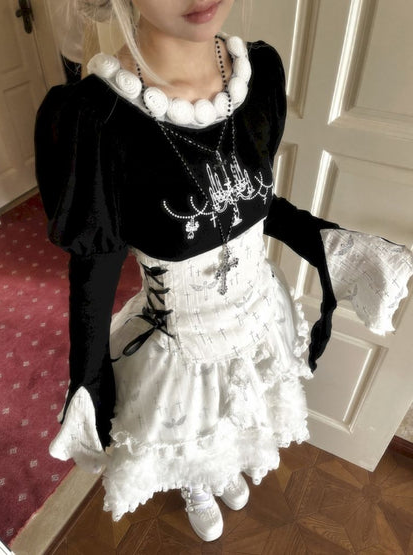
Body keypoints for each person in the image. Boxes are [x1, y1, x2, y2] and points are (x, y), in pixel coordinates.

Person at [34, 0, 413, 543]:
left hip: (259, 313)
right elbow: (96, 267)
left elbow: (247, 204)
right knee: (191, 424)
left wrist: (331, 244)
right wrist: (87, 379)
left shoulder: (257, 77)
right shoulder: (96, 120)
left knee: (239, 411)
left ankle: (223, 467)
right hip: (179, 344)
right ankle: (197, 481)